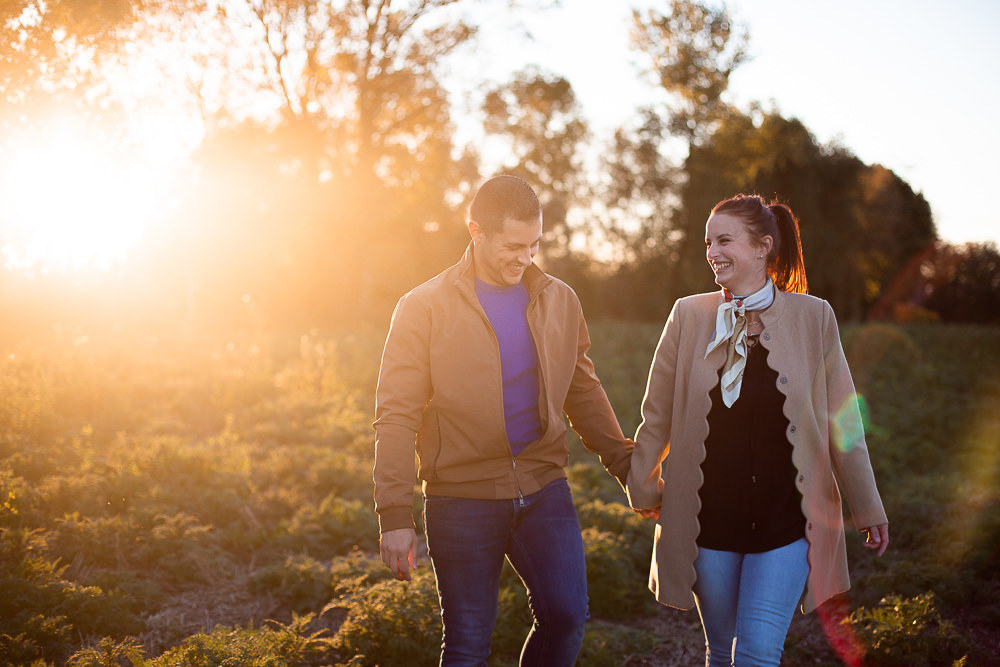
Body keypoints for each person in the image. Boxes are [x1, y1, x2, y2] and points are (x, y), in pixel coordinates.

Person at [373, 175, 633, 667]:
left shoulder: (560, 300)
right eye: (513, 245)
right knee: (468, 644)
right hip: (461, 497)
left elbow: (582, 390)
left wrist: (626, 464)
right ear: (476, 231)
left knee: (566, 615)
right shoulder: (422, 308)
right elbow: (396, 416)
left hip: (543, 487)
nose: (525, 257)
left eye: (534, 245)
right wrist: (395, 516)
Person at [626, 194, 889, 666]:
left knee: (756, 654)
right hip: (710, 523)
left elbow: (843, 421)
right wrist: (645, 490)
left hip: (785, 525)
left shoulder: (815, 317)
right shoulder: (688, 316)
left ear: (764, 245)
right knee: (722, 653)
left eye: (724, 240)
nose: (712, 252)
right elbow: (657, 415)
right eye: (708, 242)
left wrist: (867, 506)